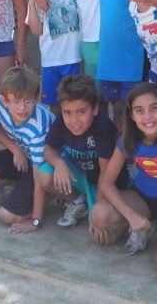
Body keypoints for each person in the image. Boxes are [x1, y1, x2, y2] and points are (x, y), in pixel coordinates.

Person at [90, 83, 157, 279]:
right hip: (142, 199)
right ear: (132, 115)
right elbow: (106, 182)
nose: (148, 116)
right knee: (99, 214)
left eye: (154, 108)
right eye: (139, 110)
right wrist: (131, 216)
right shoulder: (128, 138)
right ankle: (141, 227)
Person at [0, 66, 54, 233]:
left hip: (44, 167)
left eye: (28, 101)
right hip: (24, 154)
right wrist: (15, 150)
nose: (22, 108)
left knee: (7, 216)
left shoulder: (38, 128)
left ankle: (51, 195)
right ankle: (22, 188)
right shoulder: (0, 104)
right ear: (5, 100)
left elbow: (38, 177)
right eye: (16, 101)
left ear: (37, 97)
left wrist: (35, 221)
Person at [38, 74, 126, 228]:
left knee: (101, 227)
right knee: (45, 175)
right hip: (82, 178)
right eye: (67, 112)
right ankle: (78, 201)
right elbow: (48, 150)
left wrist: (98, 210)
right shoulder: (61, 121)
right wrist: (59, 164)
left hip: (106, 184)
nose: (74, 121)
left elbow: (105, 175)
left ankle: (93, 205)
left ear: (95, 108)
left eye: (81, 112)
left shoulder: (103, 127)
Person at [95, 0, 145, 131]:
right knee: (115, 111)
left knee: (129, 114)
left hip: (131, 63)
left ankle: (129, 152)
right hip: (109, 61)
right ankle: (119, 151)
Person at [27, 0, 81, 112]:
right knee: (55, 109)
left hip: (75, 58)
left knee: (76, 105)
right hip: (50, 60)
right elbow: (36, 30)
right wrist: (31, 1)